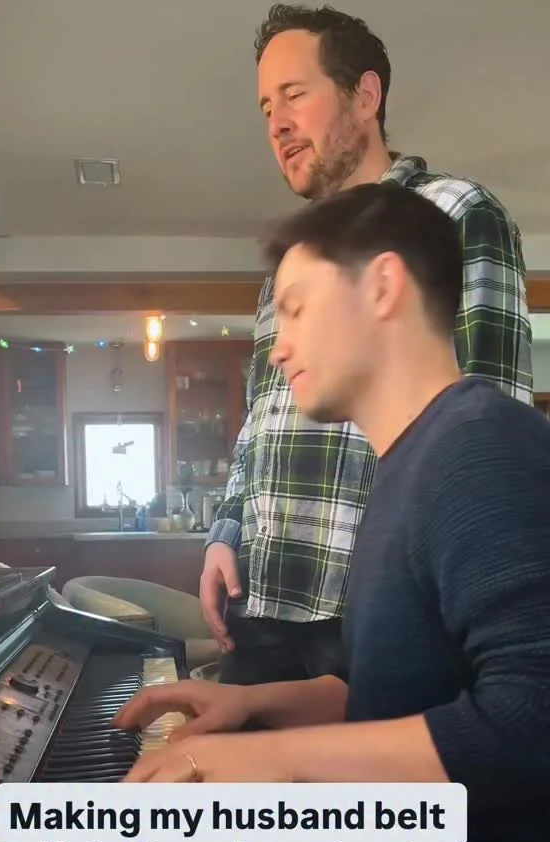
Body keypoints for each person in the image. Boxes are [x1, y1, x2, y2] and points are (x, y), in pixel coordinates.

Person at [114, 183, 550, 842]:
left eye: (298, 307)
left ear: (383, 286)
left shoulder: (480, 449)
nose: (277, 346)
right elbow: (387, 691)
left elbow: (530, 725)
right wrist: (254, 708)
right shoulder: (409, 461)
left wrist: (260, 765)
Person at [200, 3, 533, 687]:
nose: (276, 123)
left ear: (365, 95)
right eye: (266, 107)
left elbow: (491, 416)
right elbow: (260, 415)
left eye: (294, 94)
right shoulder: (292, 261)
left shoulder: (455, 212)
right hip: (263, 593)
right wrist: (226, 531)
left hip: (372, 603)